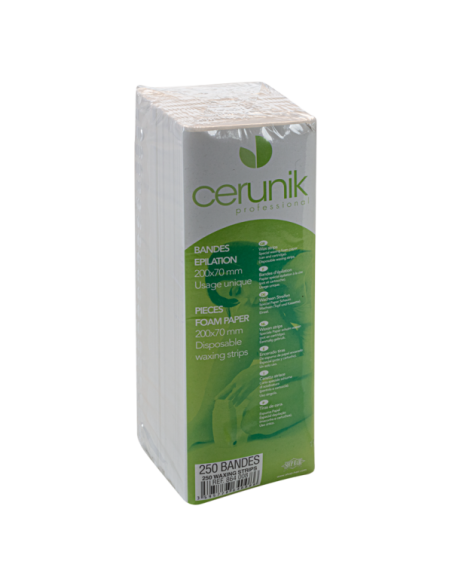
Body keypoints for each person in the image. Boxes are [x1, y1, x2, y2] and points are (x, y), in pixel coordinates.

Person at [187, 241, 314, 450]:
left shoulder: (306, 270)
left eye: (238, 290)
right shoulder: (273, 287)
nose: (244, 299)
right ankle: (203, 420)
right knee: (250, 309)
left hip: (311, 370)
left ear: (252, 265)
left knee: (254, 420)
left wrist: (262, 371)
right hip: (300, 355)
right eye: (236, 298)